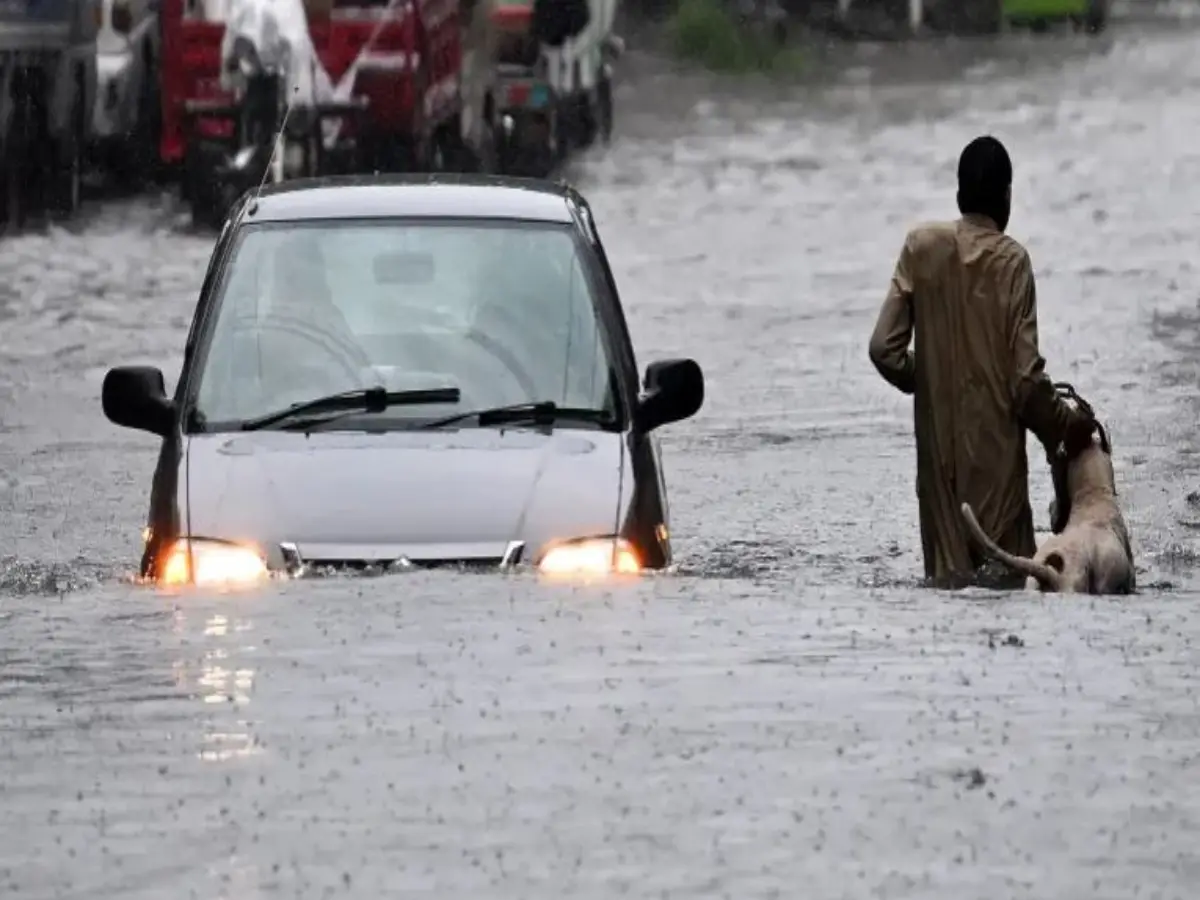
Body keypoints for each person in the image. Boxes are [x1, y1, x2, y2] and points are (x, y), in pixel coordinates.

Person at [867, 135, 1097, 586]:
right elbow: (1027, 386)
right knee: (1010, 592)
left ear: (958, 195)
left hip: (939, 488)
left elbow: (883, 350)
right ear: (1007, 198)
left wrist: (933, 375)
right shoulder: (1012, 262)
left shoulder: (920, 248)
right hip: (998, 489)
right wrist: (1068, 426)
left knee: (949, 596)